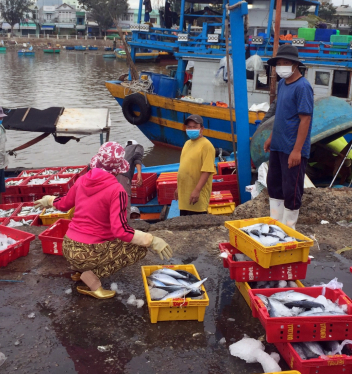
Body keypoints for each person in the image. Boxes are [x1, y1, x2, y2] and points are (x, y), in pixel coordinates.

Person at [34, 142, 172, 299]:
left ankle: (80, 271)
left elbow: (64, 204)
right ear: (119, 168)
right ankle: (91, 280)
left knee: (109, 244)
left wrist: (50, 200)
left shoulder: (82, 179)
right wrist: (151, 240)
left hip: (69, 246)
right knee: (139, 249)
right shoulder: (117, 191)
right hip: (89, 252)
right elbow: (120, 231)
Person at [263, 44, 314, 229]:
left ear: (295, 65)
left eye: (286, 63)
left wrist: (297, 151)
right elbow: (281, 114)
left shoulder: (303, 87)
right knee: (274, 185)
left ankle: (289, 228)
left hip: (293, 147)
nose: (281, 66)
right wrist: (271, 137)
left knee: (291, 189)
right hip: (278, 145)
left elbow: (305, 120)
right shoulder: (282, 84)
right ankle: (275, 225)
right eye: (279, 63)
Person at [175, 115, 216, 216]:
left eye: (195, 127)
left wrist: (197, 190)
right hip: (184, 196)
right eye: (189, 127)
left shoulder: (207, 145)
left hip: (196, 196)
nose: (191, 129)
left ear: (202, 128)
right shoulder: (187, 144)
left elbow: (207, 170)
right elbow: (184, 166)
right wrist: (178, 188)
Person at [116, 139, 144, 214]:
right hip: (123, 176)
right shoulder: (138, 147)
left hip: (114, 176)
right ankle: (125, 223)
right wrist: (139, 174)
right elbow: (137, 158)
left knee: (116, 200)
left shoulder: (122, 151)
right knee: (125, 201)